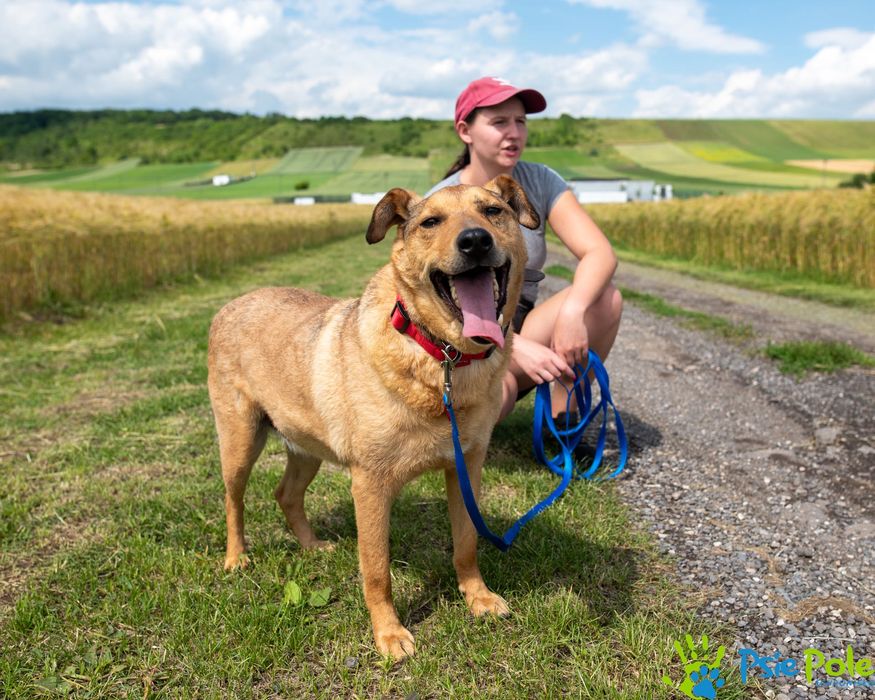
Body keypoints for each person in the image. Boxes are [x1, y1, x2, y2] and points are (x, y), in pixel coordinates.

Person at [426, 76, 623, 422]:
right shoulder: (440, 204)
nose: (514, 132)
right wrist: (514, 348)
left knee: (605, 299)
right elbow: (431, 312)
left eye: (520, 121)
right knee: (497, 398)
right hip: (465, 332)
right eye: (499, 122)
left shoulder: (540, 180)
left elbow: (599, 252)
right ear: (465, 130)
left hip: (522, 317)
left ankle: (563, 423)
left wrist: (573, 312)